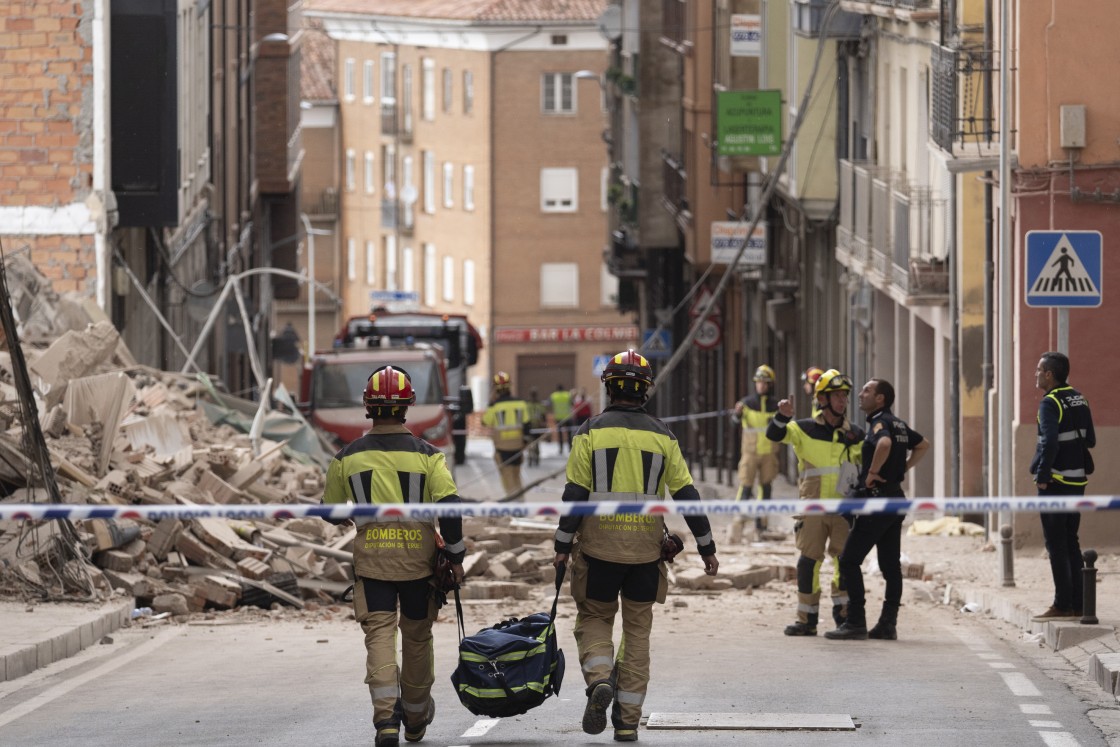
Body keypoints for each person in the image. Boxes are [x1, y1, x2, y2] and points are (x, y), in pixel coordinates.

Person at [552, 349, 718, 743]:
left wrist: (561, 543)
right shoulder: (663, 435)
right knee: (638, 633)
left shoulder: (589, 431)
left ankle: (598, 680)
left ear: (609, 387)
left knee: (594, 619)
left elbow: (575, 492)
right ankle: (627, 722)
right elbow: (686, 494)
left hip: (598, 549)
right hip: (647, 553)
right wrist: (707, 546)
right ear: (646, 391)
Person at [322, 365, 466, 747]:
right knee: (417, 637)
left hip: (373, 564)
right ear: (409, 406)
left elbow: (330, 511)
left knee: (380, 636)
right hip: (419, 564)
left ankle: (386, 718)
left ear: (368, 407)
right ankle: (416, 716)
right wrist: (455, 555)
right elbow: (450, 505)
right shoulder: (429, 457)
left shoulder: (345, 458)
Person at [826, 378, 929, 641]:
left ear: (880, 398)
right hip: (895, 499)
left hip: (877, 501)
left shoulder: (880, 423)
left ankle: (856, 622)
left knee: (849, 560)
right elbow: (922, 444)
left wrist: (872, 472)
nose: (860, 395)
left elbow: (884, 445)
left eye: (867, 391)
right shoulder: (899, 424)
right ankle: (887, 623)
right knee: (890, 566)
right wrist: (902, 469)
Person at [767, 368, 863, 636]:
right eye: (836, 396)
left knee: (844, 564)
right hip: (812, 510)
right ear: (822, 399)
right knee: (808, 562)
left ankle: (844, 617)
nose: (842, 401)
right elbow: (774, 436)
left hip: (845, 511)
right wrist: (781, 417)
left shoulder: (855, 435)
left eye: (845, 396)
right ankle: (806, 620)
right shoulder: (803, 429)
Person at [1030, 351, 1095, 622]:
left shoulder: (1049, 402)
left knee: (1055, 543)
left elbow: (1049, 442)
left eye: (1038, 370)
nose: (1035, 374)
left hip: (1055, 481)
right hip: (1077, 479)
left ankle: (1062, 604)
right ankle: (1080, 605)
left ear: (1049, 374)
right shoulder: (1079, 397)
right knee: (1071, 541)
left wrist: (1043, 474)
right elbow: (1090, 439)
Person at [732, 365, 779, 536]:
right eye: (758, 382)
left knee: (765, 489)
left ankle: (761, 526)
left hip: (769, 454)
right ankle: (738, 524)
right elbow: (734, 422)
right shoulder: (747, 403)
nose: (761, 386)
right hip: (750, 453)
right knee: (745, 486)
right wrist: (737, 414)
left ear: (770, 384)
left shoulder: (776, 406)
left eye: (764, 382)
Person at [481, 372, 531, 496]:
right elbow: (527, 425)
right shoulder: (521, 403)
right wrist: (524, 442)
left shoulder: (495, 406)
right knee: (516, 475)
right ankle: (520, 503)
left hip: (502, 448)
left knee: (507, 478)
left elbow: (485, 422)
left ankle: (513, 504)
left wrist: (490, 402)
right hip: (518, 447)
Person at [525, 387, 547, 467]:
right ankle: (533, 457)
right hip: (534, 426)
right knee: (535, 443)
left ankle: (532, 457)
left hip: (533, 426)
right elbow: (543, 416)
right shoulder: (539, 405)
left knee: (533, 443)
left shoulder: (527, 405)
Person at [550, 384, 573, 453]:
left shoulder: (554, 395)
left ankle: (561, 449)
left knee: (560, 434)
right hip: (567, 416)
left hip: (558, 417)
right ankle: (570, 448)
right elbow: (572, 403)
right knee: (569, 433)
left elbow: (550, 404)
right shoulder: (567, 395)